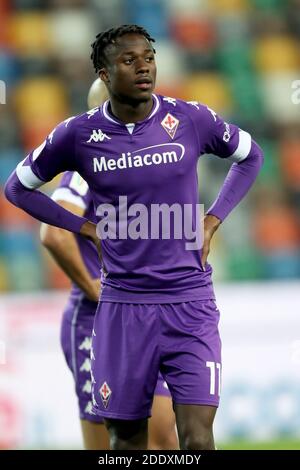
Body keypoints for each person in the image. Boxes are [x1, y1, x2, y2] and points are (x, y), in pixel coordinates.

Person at [5, 25, 264, 450]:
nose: (144, 67)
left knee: (196, 441)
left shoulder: (189, 118)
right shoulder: (79, 135)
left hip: (190, 303)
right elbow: (17, 187)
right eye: (129, 60)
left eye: (148, 57)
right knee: (126, 443)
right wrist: (86, 229)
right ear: (104, 76)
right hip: (123, 308)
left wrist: (214, 218)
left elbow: (250, 155)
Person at [39, 78, 178, 450]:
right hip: (95, 325)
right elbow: (53, 233)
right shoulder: (88, 170)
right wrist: (95, 289)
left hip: (146, 319)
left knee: (163, 438)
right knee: (109, 446)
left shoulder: (147, 168)